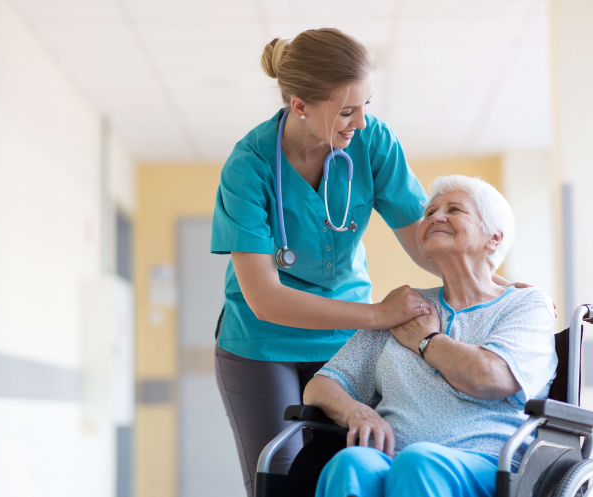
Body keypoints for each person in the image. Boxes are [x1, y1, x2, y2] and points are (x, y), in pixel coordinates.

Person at [210, 29, 518, 496]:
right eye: (346, 111)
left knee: (351, 466)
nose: (360, 122)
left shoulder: (371, 142)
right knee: (281, 479)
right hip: (261, 343)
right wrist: (377, 315)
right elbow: (266, 299)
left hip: (344, 341)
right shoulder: (248, 166)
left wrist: (500, 289)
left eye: (366, 106)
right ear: (299, 106)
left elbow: (427, 240)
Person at [303, 175, 558, 497]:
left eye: (454, 209)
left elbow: (491, 376)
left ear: (493, 239)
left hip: (489, 464)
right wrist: (357, 411)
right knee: (352, 463)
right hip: (393, 460)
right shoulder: (404, 307)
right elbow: (323, 385)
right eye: (430, 212)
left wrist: (427, 341)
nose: (435, 217)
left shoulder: (525, 304)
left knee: (418, 461)